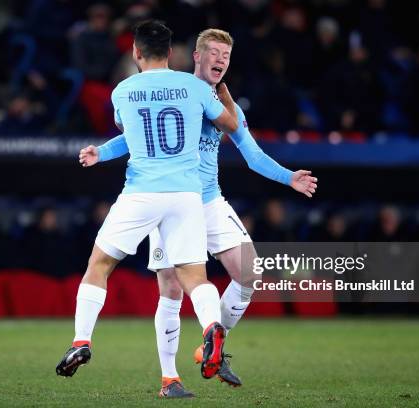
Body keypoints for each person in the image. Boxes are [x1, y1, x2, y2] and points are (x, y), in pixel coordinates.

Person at [78, 28, 317, 396]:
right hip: (173, 200)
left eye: (227, 56)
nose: (221, 60)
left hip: (208, 201)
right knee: (171, 289)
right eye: (215, 53)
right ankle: (170, 378)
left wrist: (289, 178)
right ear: (196, 56)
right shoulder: (177, 90)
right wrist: (103, 152)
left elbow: (251, 155)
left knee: (250, 273)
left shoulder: (224, 104)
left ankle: (212, 345)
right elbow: (135, 137)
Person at [55, 21, 239, 398]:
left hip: (141, 192)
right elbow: (228, 124)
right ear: (172, 54)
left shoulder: (123, 90)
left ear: (136, 53)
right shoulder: (194, 87)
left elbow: (132, 133)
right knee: (194, 278)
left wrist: (101, 151)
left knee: (99, 265)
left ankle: (81, 341)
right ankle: (209, 329)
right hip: (187, 196)